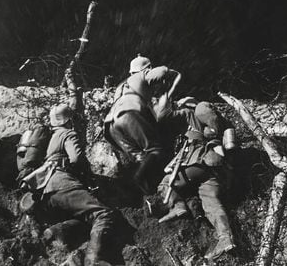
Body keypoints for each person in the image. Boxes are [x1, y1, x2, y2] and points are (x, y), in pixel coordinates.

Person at [21, 104, 115, 266]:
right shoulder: (67, 133)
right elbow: (76, 159)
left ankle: (54, 232)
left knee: (84, 217)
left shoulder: (48, 137)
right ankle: (94, 261)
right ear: (69, 120)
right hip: (61, 183)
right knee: (102, 215)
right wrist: (87, 177)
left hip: (42, 191)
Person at [157, 100, 236, 261]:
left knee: (165, 184)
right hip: (215, 168)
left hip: (196, 161)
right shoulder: (216, 127)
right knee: (211, 202)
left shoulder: (188, 114)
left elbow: (163, 116)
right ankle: (225, 238)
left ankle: (178, 206)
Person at [104, 54, 181, 195]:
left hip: (112, 125)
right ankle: (138, 179)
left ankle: (148, 194)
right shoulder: (142, 75)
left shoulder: (122, 85)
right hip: (129, 115)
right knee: (155, 149)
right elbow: (161, 72)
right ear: (147, 68)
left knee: (141, 159)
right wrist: (168, 71)